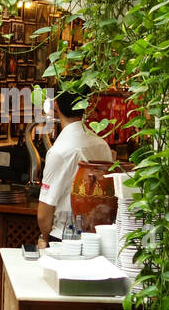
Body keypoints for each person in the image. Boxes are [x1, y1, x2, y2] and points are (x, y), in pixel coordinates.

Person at [36, 88, 114, 246]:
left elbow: (44, 213)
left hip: (64, 238)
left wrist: (44, 237)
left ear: (55, 105)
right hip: (99, 238)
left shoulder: (59, 151)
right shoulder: (101, 144)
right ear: (85, 105)